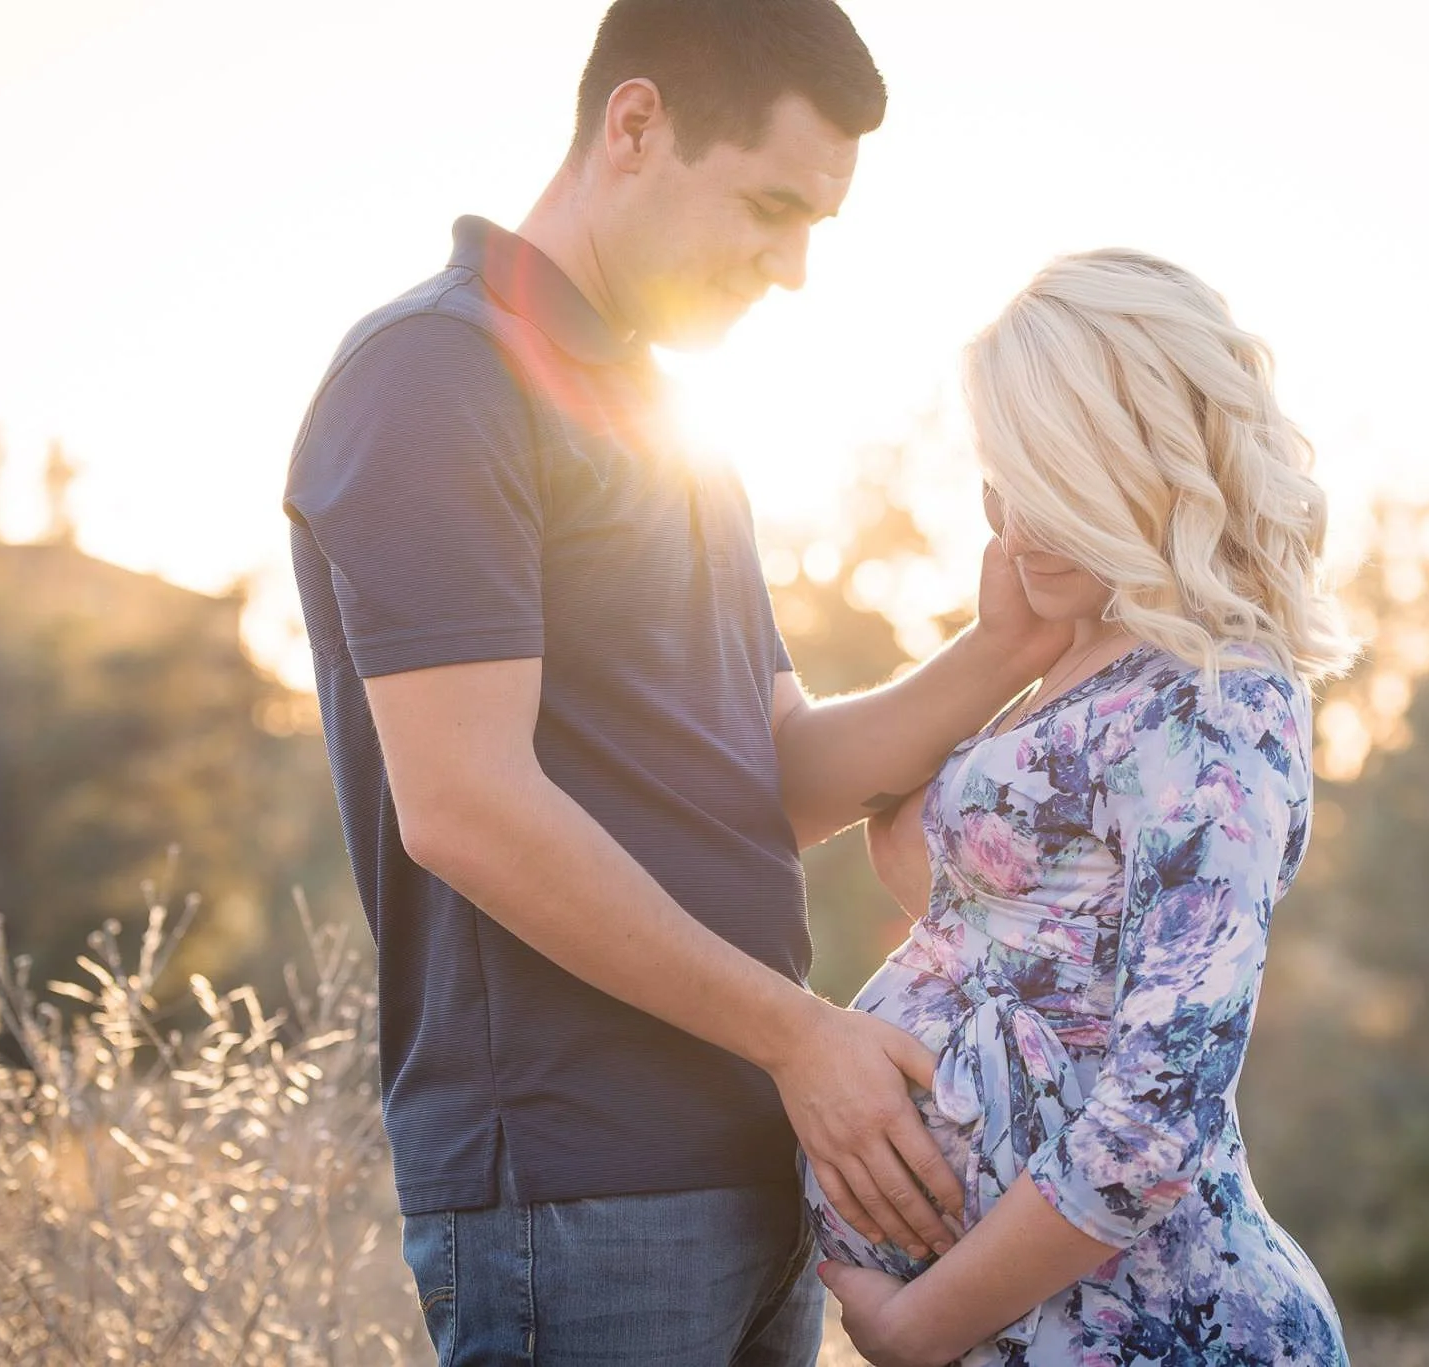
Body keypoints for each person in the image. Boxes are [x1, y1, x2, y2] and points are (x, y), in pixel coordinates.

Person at [281, 1, 1069, 1362]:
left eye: (818, 222)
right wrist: (802, 1038)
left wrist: (1002, 647)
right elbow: (463, 804)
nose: (795, 266)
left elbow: (780, 777)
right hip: (574, 1187)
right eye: (771, 206)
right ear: (634, 124)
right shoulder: (434, 375)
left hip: (758, 1170)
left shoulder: (674, 427)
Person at [806, 250, 1357, 1366]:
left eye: (1056, 479)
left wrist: (917, 1326)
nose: (1014, 523)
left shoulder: (1213, 702)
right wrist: (1008, 641)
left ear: (1153, 462)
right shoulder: (1080, 664)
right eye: (998, 479)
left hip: (1160, 1334)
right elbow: (961, 903)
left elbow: (1157, 1113)